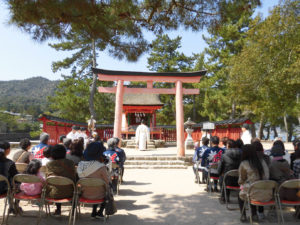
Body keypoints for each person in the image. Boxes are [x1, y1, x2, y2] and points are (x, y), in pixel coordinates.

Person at [238, 144, 272, 222]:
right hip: (268, 194)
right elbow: (267, 176)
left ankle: (243, 215)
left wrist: (244, 184)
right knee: (250, 190)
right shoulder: (262, 161)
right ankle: (254, 214)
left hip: (253, 192)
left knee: (244, 193)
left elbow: (241, 180)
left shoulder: (244, 163)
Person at [77, 142, 109, 219]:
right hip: (100, 195)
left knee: (93, 185)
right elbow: (107, 182)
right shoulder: (101, 167)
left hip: (84, 194)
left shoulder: (80, 165)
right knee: (106, 188)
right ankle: (100, 212)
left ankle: (94, 211)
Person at [45, 144, 76, 216]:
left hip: (53, 193)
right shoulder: (70, 163)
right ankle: (73, 210)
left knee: (56, 184)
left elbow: (48, 179)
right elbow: (73, 177)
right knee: (64, 185)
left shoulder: (49, 164)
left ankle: (58, 209)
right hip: (70, 192)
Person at [217, 139, 241, 204]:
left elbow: (220, 168)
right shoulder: (242, 154)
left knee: (222, 177)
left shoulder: (224, 155)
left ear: (227, 146)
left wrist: (219, 173)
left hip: (228, 179)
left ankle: (224, 197)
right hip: (240, 180)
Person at [0, 141, 19, 214]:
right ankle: (12, 206)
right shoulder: (10, 163)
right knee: (13, 185)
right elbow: (16, 177)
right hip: (2, 190)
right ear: (7, 150)